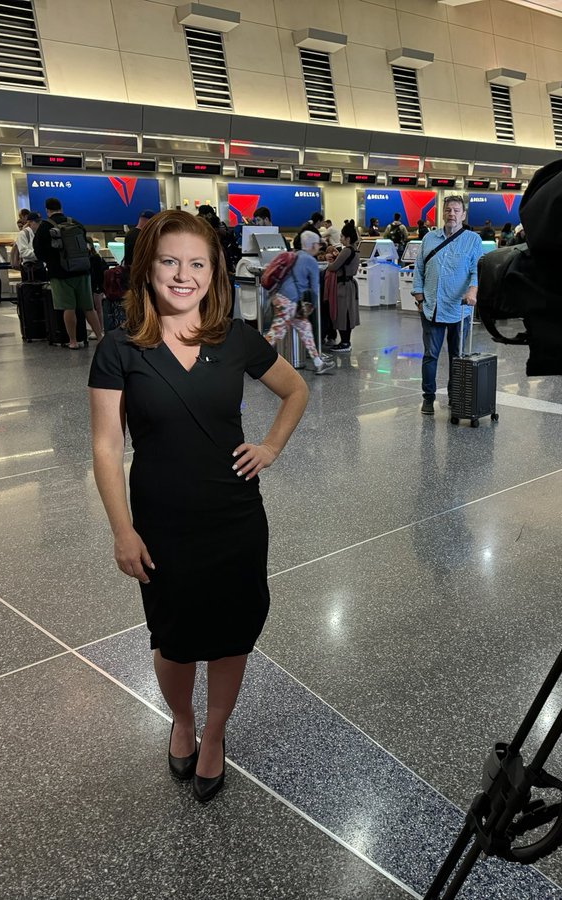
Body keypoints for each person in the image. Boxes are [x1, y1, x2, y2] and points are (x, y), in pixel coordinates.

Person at [89, 210, 309, 804]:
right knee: (174, 640)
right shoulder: (119, 350)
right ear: (147, 268)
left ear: (214, 272)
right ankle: (182, 721)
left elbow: (295, 389)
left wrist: (269, 446)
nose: (183, 276)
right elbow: (107, 448)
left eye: (197, 263)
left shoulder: (233, 339)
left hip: (234, 518)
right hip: (162, 523)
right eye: (169, 262)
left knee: (232, 636)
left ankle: (214, 733)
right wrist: (121, 530)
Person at [411, 195, 482, 415]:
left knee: (457, 357)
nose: (452, 214)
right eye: (448, 210)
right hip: (432, 307)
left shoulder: (473, 240)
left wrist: (472, 290)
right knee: (430, 356)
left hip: (460, 310)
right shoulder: (429, 238)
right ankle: (428, 398)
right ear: (442, 213)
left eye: (456, 210)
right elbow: (419, 269)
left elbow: (477, 270)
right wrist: (420, 299)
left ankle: (455, 396)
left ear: (463, 214)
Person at [33, 196, 104, 349]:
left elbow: (38, 251)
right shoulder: (75, 223)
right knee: (88, 307)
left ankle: (72, 341)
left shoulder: (45, 227)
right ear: (61, 208)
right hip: (82, 270)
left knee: (68, 307)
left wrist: (52, 261)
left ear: (47, 210)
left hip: (60, 273)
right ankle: (100, 337)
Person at [263, 230, 333, 375]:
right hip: (289, 301)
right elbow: (315, 288)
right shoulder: (311, 261)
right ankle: (250, 359)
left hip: (285, 299)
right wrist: (313, 304)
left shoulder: (295, 255)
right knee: (276, 333)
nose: (319, 247)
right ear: (313, 245)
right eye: (318, 244)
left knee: (305, 328)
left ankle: (318, 362)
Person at [325, 223, 361, 353]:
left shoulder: (347, 250)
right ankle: (346, 341)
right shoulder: (355, 250)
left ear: (348, 238)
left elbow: (333, 267)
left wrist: (328, 261)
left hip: (342, 287)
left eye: (342, 236)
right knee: (348, 313)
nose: (340, 239)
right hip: (350, 285)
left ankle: (345, 342)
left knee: (342, 314)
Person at [122, 209, 155, 281]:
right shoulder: (142, 235)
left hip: (130, 270)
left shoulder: (130, 233)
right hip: (139, 271)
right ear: (149, 221)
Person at [14, 211, 44, 282]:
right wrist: (39, 254)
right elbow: (23, 252)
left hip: (40, 266)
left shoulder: (40, 233)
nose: (39, 224)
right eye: (36, 222)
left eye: (40, 221)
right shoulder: (23, 234)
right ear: (30, 222)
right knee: (30, 290)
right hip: (29, 269)